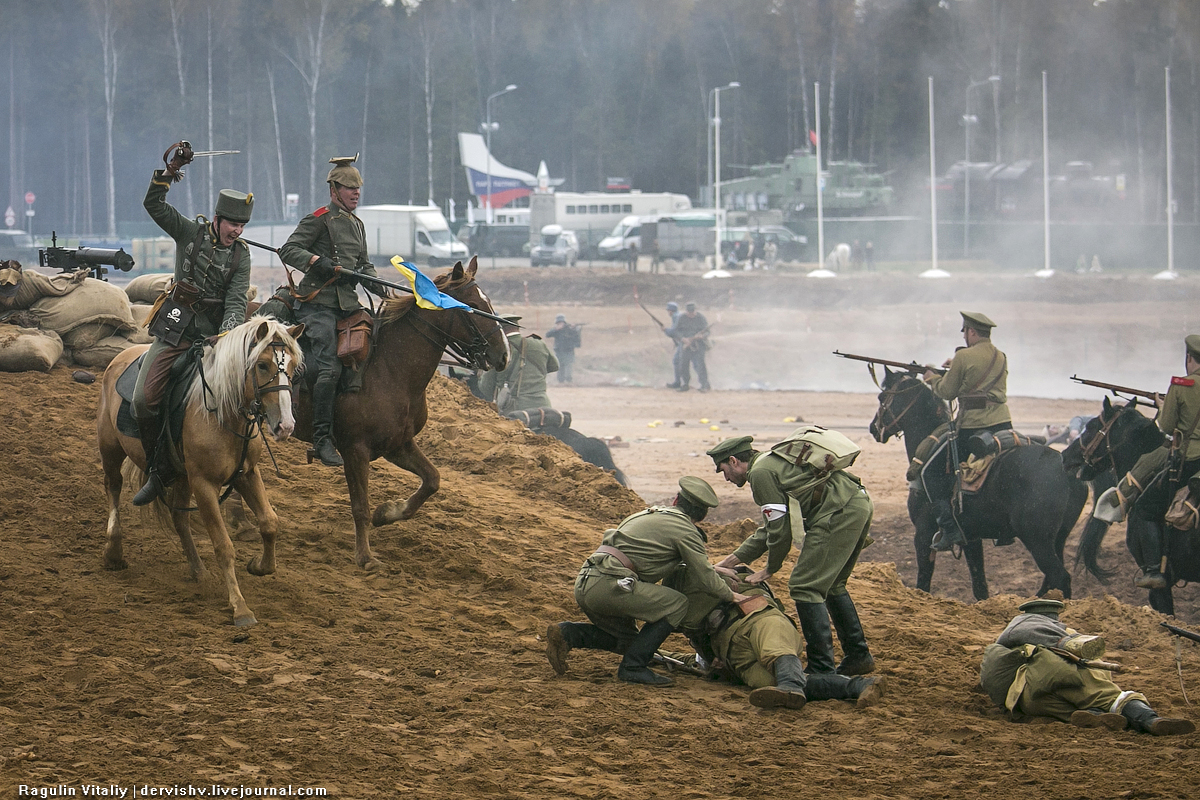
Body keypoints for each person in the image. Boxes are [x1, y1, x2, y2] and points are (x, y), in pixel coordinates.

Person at [131, 142, 254, 506]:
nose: (238, 231)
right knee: (142, 399)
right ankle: (158, 469)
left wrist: (227, 336)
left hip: (215, 338)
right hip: (175, 328)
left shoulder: (241, 257)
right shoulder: (189, 233)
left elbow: (235, 301)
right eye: (233, 223)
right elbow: (153, 205)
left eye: (243, 225)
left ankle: (239, 461)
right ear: (217, 218)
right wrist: (169, 173)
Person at [545, 476, 750, 686]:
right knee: (677, 604)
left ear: (675, 501)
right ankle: (633, 667)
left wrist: (711, 567)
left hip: (588, 581)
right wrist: (732, 595)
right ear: (702, 514)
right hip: (611, 584)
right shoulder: (686, 531)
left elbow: (654, 556)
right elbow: (706, 579)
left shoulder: (649, 514)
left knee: (629, 642)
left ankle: (568, 633)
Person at [707, 434, 876, 677]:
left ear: (734, 461)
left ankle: (821, 668)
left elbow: (779, 530)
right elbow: (769, 530)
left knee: (804, 586)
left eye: (723, 470)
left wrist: (770, 568)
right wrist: (728, 562)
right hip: (856, 503)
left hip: (838, 512)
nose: (725, 478)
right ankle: (858, 656)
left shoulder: (760, 474)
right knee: (833, 585)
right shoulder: (770, 463)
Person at [277, 154, 387, 468]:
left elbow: (365, 267)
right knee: (328, 368)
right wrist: (317, 262)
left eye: (357, 190)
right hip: (317, 305)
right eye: (348, 189)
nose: (355, 194)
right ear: (334, 190)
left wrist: (382, 288)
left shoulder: (358, 225)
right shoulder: (320, 218)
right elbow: (289, 249)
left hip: (348, 306)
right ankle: (322, 439)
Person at [980, 598, 1194, 735]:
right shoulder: (1068, 636)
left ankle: (1096, 717)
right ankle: (1149, 720)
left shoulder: (1008, 643)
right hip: (1063, 682)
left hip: (1024, 700)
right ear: (1053, 617)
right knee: (1112, 697)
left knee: (1073, 710)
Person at [687, 570, 886, 710]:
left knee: (775, 646)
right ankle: (859, 686)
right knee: (773, 683)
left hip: (757, 619)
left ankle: (790, 684)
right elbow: (692, 650)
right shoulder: (682, 584)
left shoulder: (716, 571)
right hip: (734, 656)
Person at [1094, 335, 1200, 589]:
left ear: (1189, 358)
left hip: (1189, 462)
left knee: (1145, 509)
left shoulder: (1182, 385)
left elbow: (1165, 427)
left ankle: (1154, 571)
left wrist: (1162, 405)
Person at [920, 311, 1012, 552]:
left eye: (965, 331)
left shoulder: (964, 357)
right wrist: (956, 368)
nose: (964, 335)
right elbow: (977, 380)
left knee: (930, 473)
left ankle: (949, 530)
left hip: (974, 425)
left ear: (971, 332)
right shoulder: (1001, 356)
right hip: (1002, 424)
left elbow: (947, 392)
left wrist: (932, 378)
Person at [478, 315, 559, 414]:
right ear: (517, 327)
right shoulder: (539, 344)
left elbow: (486, 388)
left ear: (499, 330)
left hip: (514, 410)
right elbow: (554, 366)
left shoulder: (498, 351)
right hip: (543, 406)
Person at [666, 301, 710, 392]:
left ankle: (704, 385)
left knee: (700, 364)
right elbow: (676, 331)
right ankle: (685, 384)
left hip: (699, 345)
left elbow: (707, 331)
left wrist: (702, 336)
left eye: (692, 312)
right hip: (686, 344)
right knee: (683, 364)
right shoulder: (681, 318)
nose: (691, 315)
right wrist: (683, 339)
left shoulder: (701, 318)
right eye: (689, 313)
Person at [544, 314, 581, 384]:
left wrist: (573, 328)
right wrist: (556, 329)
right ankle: (561, 381)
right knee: (560, 366)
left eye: (561, 322)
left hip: (569, 350)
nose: (560, 324)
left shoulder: (569, 329)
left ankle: (569, 381)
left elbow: (576, 335)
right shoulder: (556, 330)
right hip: (559, 351)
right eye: (559, 323)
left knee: (568, 365)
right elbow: (547, 335)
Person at [663, 301, 684, 389]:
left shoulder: (675, 317)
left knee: (676, 361)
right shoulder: (679, 315)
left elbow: (673, 332)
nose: (668, 312)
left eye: (668, 310)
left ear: (671, 310)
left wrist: (665, 330)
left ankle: (677, 382)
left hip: (683, 342)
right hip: (683, 341)